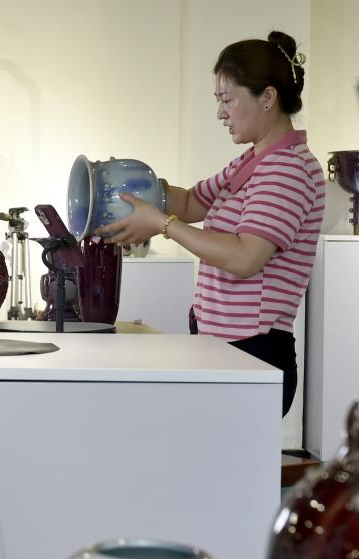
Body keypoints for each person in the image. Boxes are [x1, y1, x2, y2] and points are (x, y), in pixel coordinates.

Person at [97, 31, 324, 417]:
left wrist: (162, 224)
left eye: (227, 99)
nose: (220, 113)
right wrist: (129, 186)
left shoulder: (287, 168)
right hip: (225, 345)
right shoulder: (251, 161)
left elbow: (245, 257)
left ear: (267, 97)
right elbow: (190, 202)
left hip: (255, 350)